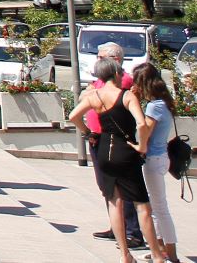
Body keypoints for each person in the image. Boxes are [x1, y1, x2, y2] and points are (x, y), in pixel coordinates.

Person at [69, 53, 161, 263]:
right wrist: (142, 145)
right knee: (142, 206)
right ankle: (157, 255)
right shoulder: (127, 96)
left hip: (104, 152)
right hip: (125, 151)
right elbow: (141, 124)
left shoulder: (94, 96)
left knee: (114, 202)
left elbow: (73, 116)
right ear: (116, 74)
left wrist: (88, 133)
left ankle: (124, 254)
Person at [83, 42, 147, 251]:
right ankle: (116, 227)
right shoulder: (103, 82)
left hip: (113, 141)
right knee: (108, 188)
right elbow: (86, 95)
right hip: (99, 139)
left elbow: (91, 95)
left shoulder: (123, 81)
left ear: (115, 60)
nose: (97, 61)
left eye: (101, 58)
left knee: (122, 190)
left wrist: (92, 89)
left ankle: (131, 233)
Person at [132, 63, 180, 263]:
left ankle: (170, 255)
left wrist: (137, 146)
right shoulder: (163, 103)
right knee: (156, 207)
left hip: (153, 158)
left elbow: (145, 132)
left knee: (158, 209)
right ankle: (160, 250)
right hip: (161, 157)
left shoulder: (154, 106)